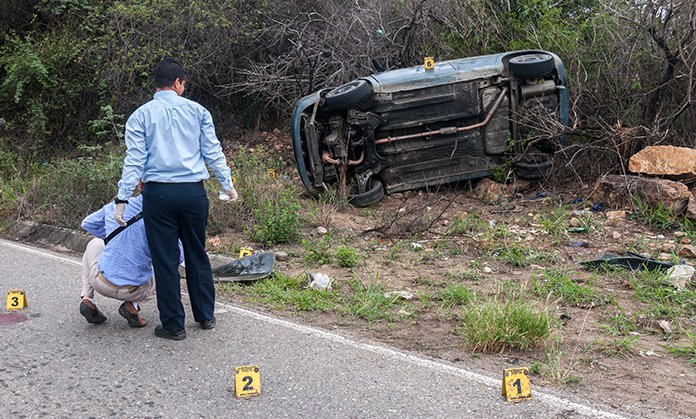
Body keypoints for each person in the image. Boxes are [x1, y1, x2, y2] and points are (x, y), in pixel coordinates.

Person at [115, 57, 237, 341]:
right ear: (179, 82)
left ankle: (173, 325)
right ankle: (205, 316)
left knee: (165, 259)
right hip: (194, 193)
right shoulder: (198, 111)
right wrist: (227, 184)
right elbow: (213, 152)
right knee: (196, 252)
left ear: (157, 84)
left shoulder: (140, 115)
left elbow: (134, 160)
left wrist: (122, 198)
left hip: (158, 194)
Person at [80, 194, 159, 327]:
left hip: (100, 282)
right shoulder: (165, 217)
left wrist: (116, 241)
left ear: (139, 185)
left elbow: (87, 223)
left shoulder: (116, 206)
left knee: (95, 244)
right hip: (134, 291)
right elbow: (178, 256)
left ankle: (87, 297)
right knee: (165, 269)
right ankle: (132, 305)